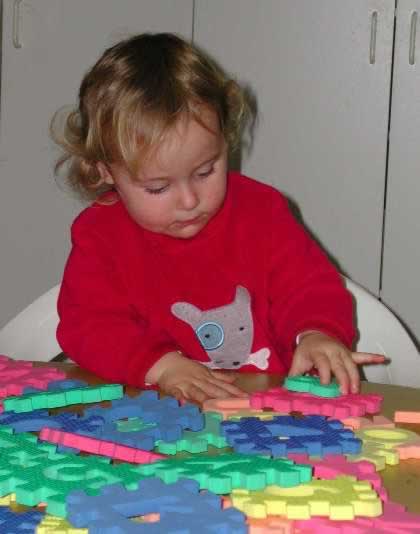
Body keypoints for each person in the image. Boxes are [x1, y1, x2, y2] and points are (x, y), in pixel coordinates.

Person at [53, 33, 383, 403]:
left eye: (205, 171)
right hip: (153, 418)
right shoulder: (100, 235)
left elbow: (310, 287)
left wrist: (316, 333)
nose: (190, 200)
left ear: (225, 141)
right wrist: (161, 366)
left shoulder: (262, 212)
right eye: (158, 188)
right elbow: (88, 325)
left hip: (267, 414)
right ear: (105, 171)